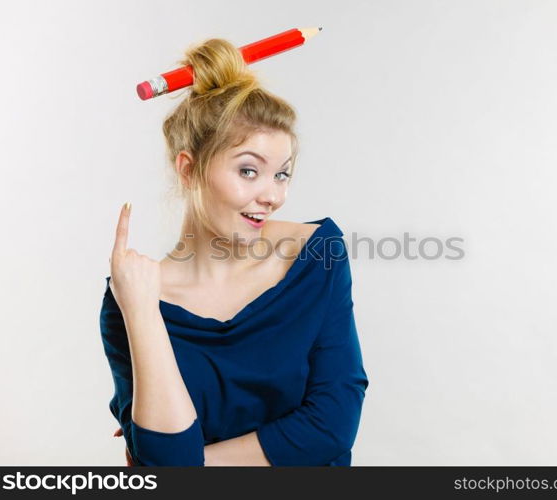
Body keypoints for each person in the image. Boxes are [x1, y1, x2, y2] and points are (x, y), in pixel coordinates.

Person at [99, 38, 369, 466]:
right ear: (189, 169)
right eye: (249, 170)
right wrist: (143, 314)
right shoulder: (133, 299)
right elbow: (166, 461)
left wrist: (196, 464)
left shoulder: (317, 256)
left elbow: (331, 424)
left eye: (281, 174)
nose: (273, 196)